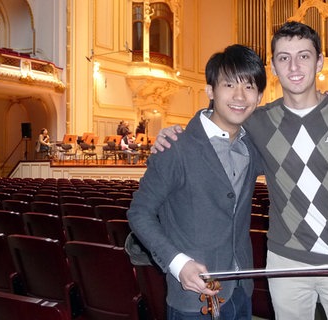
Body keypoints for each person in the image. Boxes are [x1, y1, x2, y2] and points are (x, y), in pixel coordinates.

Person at [154, 21, 328, 320]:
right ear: (274, 67)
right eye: (283, 57)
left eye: (304, 56)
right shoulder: (258, 122)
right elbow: (217, 122)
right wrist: (173, 134)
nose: (294, 65)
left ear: (319, 61)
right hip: (285, 263)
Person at [127, 44, 266, 320]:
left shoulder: (253, 145)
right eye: (229, 85)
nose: (239, 96)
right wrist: (179, 264)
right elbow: (139, 213)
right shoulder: (175, 147)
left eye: (249, 87)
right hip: (194, 297)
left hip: (240, 290)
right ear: (211, 91)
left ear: (259, 96)